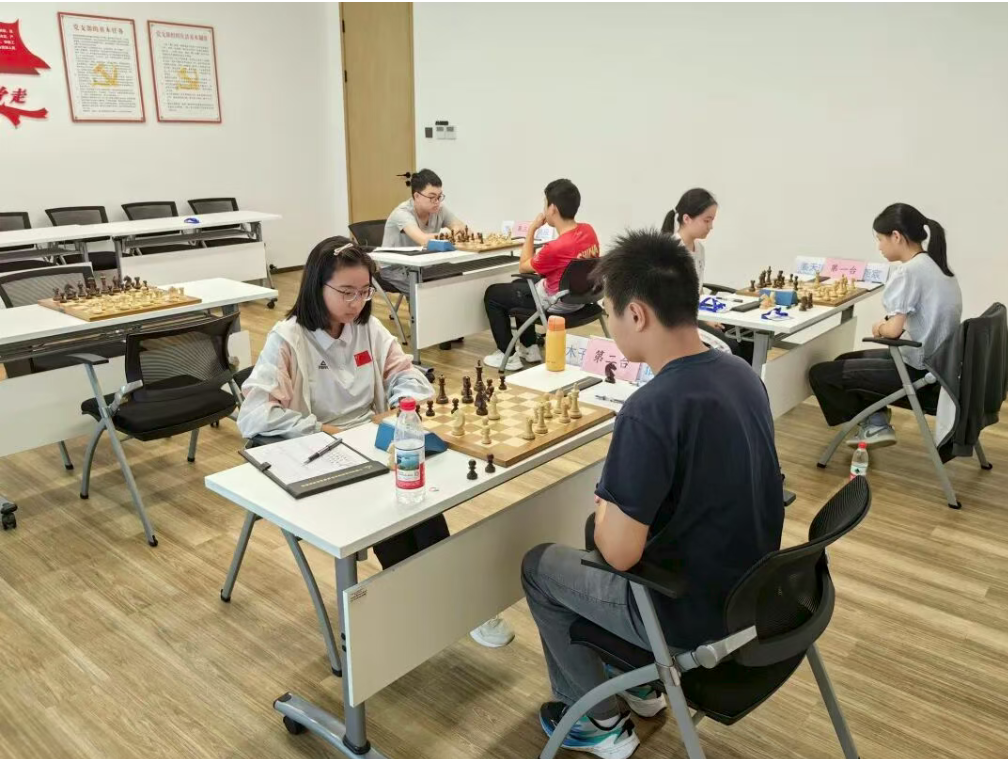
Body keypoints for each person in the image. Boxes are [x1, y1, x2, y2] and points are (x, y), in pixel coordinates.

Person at [521, 229, 784, 758]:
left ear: (637, 314)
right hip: (754, 590)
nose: (610, 322)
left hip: (691, 613)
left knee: (539, 566)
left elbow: (620, 552)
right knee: (593, 536)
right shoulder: (741, 373)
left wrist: (605, 505)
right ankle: (642, 684)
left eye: (609, 311)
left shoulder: (651, 408)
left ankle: (596, 720)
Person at [238, 236, 514, 648]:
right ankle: (444, 600)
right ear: (316, 286)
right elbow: (255, 415)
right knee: (394, 504)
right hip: (320, 450)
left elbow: (407, 374)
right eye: (346, 292)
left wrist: (402, 406)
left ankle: (448, 597)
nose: (357, 302)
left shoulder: (367, 327)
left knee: (417, 494)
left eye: (365, 292)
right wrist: (319, 429)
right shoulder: (288, 338)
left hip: (371, 438)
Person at [809, 203, 962, 448]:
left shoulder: (909, 272)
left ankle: (874, 425)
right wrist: (889, 324)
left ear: (896, 236)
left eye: (880, 239)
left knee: (821, 374)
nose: (879, 246)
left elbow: (892, 331)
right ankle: (875, 418)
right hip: (943, 367)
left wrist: (879, 327)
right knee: (842, 360)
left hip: (921, 373)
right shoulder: (937, 265)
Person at [483, 179, 600, 371]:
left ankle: (507, 355)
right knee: (521, 285)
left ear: (552, 209)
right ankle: (530, 348)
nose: (544, 209)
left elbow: (524, 266)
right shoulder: (588, 230)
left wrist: (532, 229)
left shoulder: (555, 247)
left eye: (545, 204)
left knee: (493, 294)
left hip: (557, 304)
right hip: (582, 298)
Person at [662, 188, 753, 363]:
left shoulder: (699, 249)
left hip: (697, 314)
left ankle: (748, 379)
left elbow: (697, 291)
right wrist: (705, 321)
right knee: (729, 347)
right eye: (707, 220)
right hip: (678, 321)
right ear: (687, 219)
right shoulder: (671, 251)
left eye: (712, 221)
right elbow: (671, 302)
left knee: (746, 335)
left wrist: (709, 316)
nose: (710, 226)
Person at [380, 169, 468, 294]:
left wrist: (459, 230)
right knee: (427, 292)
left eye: (439, 197)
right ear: (417, 196)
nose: (437, 202)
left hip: (423, 262)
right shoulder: (402, 213)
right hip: (396, 268)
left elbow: (463, 229)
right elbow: (423, 240)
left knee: (455, 275)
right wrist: (452, 234)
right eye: (432, 197)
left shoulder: (439, 209)